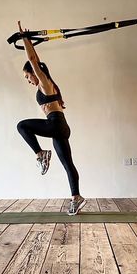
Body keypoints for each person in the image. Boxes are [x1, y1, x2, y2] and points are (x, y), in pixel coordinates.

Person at [16, 21, 86, 215]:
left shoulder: (45, 84)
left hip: (55, 124)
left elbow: (32, 58)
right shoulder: (47, 85)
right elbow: (34, 60)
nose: (28, 80)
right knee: (67, 164)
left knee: (22, 126)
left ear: (34, 72)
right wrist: (27, 40)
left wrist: (25, 38)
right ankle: (76, 197)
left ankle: (41, 154)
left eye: (27, 76)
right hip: (60, 127)